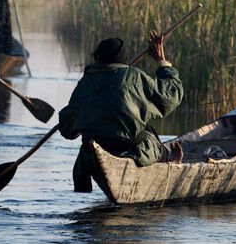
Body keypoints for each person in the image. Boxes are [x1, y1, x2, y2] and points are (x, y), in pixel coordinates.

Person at [59, 32, 183, 192]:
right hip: (134, 151)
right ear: (123, 59)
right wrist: (161, 62)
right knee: (150, 136)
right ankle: (168, 159)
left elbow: (67, 130)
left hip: (94, 153)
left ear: (98, 58)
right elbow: (171, 95)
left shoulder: (86, 82)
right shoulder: (134, 77)